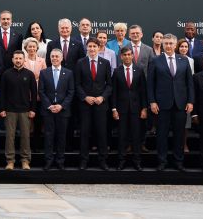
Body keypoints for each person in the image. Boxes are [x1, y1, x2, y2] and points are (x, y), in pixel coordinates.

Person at [147, 34, 194, 171]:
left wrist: (191, 101)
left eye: (170, 43)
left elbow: (189, 83)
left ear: (175, 45)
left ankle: (178, 162)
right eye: (166, 43)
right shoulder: (155, 61)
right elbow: (150, 84)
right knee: (161, 134)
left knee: (179, 135)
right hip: (161, 105)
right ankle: (162, 161)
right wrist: (152, 102)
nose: (168, 46)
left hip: (180, 104)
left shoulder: (184, 60)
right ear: (162, 44)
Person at [75, 37, 112, 170]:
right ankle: (84, 160)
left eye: (94, 46)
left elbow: (109, 85)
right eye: (89, 46)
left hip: (101, 105)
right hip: (85, 105)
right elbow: (77, 84)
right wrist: (85, 97)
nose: (92, 49)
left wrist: (102, 97)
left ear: (98, 48)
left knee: (101, 133)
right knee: (84, 133)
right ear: (87, 48)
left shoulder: (105, 63)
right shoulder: (80, 63)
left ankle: (103, 160)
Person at [0, 51, 37, 170]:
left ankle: (25, 160)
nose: (18, 60)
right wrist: (2, 109)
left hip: (25, 110)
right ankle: (10, 161)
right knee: (10, 137)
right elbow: (2, 93)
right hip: (10, 111)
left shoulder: (30, 74)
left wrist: (33, 109)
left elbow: (34, 94)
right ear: (12, 60)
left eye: (20, 58)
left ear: (24, 60)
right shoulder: (6, 74)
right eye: (16, 58)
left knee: (25, 136)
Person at [111, 47, 147, 171]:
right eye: (124, 55)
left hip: (137, 109)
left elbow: (143, 91)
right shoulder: (116, 71)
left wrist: (144, 108)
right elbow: (114, 92)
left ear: (132, 56)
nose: (127, 57)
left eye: (129, 54)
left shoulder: (139, 70)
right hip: (121, 109)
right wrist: (114, 109)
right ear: (121, 57)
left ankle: (137, 162)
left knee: (136, 136)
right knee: (122, 136)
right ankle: (121, 161)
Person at [39, 49, 74, 170]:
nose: (54, 58)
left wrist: (61, 106)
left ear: (62, 58)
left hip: (63, 111)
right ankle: (48, 161)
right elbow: (41, 91)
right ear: (50, 58)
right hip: (48, 110)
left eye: (57, 56)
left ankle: (60, 161)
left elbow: (71, 92)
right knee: (48, 136)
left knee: (61, 136)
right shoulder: (44, 72)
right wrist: (49, 105)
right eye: (52, 56)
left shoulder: (68, 73)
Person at [23, 37, 46, 147]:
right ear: (26, 48)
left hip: (38, 95)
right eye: (29, 46)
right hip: (25, 95)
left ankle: (36, 145)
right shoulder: (22, 60)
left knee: (37, 121)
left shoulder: (42, 61)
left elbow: (45, 77)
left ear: (37, 48)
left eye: (33, 46)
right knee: (27, 123)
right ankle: (27, 146)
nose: (32, 48)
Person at [176, 39, 195, 153]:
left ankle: (184, 144)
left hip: (185, 95)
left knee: (186, 124)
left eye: (186, 47)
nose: (184, 49)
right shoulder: (174, 58)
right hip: (174, 94)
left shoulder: (190, 60)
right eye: (181, 46)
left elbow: (191, 80)